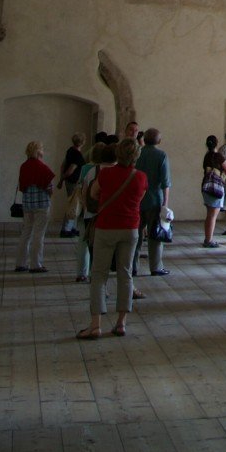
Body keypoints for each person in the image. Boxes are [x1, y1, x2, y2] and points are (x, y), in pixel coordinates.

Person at [78, 137, 148, 338]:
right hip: (130, 228)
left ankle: (95, 325)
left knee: (99, 275)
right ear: (136, 156)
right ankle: (121, 323)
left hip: (106, 226)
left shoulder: (106, 174)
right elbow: (139, 199)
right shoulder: (141, 177)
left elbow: (93, 193)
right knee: (125, 274)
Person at [75, 139, 115, 283]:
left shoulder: (88, 169)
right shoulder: (113, 171)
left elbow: (84, 191)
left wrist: (86, 207)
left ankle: (85, 272)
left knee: (87, 243)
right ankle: (99, 276)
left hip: (90, 213)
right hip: (107, 214)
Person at [133, 127, 172, 277]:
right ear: (159, 140)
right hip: (155, 200)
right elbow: (165, 182)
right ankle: (155, 267)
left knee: (135, 235)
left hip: (137, 199)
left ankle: (133, 266)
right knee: (155, 235)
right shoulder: (161, 155)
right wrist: (165, 204)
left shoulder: (137, 153)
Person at [15, 140, 55, 272]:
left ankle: (20, 263)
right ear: (38, 152)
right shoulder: (42, 167)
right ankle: (36, 264)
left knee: (25, 233)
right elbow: (49, 187)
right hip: (42, 204)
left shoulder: (24, 166)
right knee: (39, 234)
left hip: (27, 205)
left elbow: (22, 186)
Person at [200, 134, 226, 246]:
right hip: (216, 187)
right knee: (213, 215)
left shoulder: (207, 156)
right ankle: (209, 240)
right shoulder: (218, 156)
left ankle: (207, 238)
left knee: (209, 214)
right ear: (217, 143)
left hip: (206, 186)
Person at [57, 133, 86, 236]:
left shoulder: (70, 150)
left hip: (69, 181)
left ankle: (72, 227)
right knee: (73, 205)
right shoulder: (77, 155)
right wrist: (62, 179)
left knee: (74, 204)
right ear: (83, 142)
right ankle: (66, 229)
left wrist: (62, 179)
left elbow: (63, 165)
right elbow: (71, 170)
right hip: (74, 182)